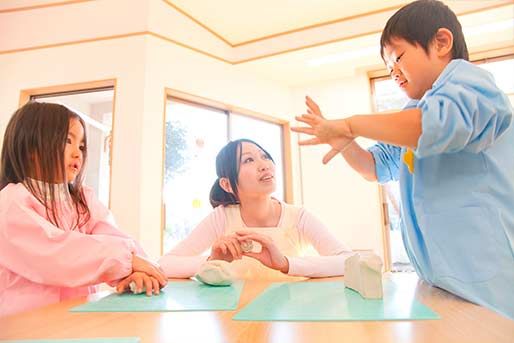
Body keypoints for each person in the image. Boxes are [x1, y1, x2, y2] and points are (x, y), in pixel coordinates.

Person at [292, 0, 514, 319]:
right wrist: (344, 142)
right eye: (387, 68)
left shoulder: (470, 81)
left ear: (441, 42)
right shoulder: (412, 114)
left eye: (397, 58)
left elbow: (434, 125)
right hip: (437, 279)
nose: (393, 73)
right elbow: (375, 168)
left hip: (484, 283)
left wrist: (350, 124)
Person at [0, 102, 167, 317]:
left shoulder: (82, 199)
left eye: (81, 146)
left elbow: (112, 235)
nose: (77, 153)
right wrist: (128, 262)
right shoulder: (11, 202)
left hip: (78, 318)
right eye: (68, 141)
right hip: (25, 325)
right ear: (31, 148)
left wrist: (137, 270)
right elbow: (57, 254)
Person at [159, 138, 354, 280]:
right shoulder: (222, 217)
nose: (264, 165)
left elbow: (350, 262)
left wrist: (285, 263)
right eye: (248, 160)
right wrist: (212, 260)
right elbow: (165, 265)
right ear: (227, 185)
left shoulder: (299, 217)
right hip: (234, 323)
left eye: (264, 156)